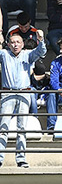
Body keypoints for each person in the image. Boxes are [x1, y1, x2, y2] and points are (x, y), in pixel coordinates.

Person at [0, 29, 46, 168]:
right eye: (12, 42)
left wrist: (41, 40)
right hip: (7, 93)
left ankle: (21, 158)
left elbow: (41, 52)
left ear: (22, 44)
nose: (15, 45)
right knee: (3, 127)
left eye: (18, 42)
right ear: (8, 44)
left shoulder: (27, 55)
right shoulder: (3, 54)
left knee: (22, 128)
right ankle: (0, 158)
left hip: (24, 93)